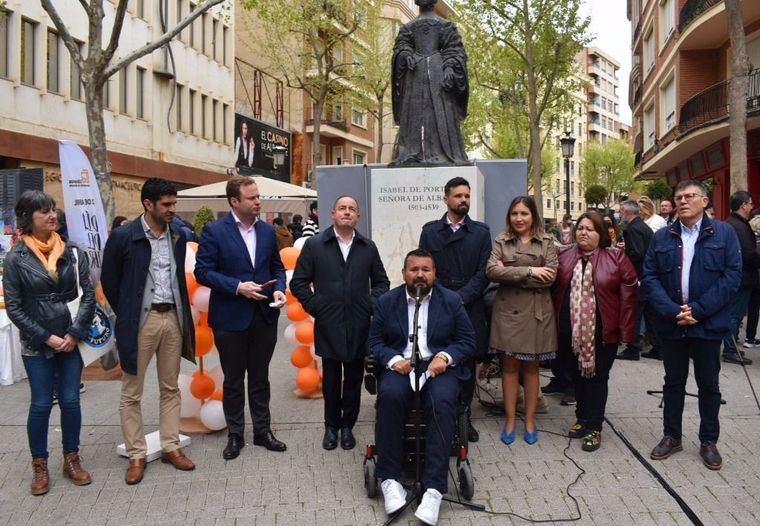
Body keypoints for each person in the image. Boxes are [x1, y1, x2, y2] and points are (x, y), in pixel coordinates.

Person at [369, 249, 475, 525]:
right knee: (390, 395)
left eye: (425, 269)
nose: (419, 274)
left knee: (441, 402)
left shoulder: (451, 301)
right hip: (401, 365)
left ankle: (434, 489)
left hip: (438, 368)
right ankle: (390, 479)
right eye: (413, 269)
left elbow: (467, 340)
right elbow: (374, 342)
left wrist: (445, 357)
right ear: (403, 273)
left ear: (434, 274)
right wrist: (393, 360)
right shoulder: (387, 301)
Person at [101, 178, 197, 485]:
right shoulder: (124, 237)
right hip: (140, 323)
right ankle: (136, 454)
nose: (172, 210)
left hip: (173, 319)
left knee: (171, 387)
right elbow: (110, 281)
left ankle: (171, 446)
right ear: (148, 204)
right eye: (166, 205)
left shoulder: (179, 235)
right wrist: (128, 313)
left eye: (174, 204)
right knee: (132, 391)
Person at [643, 180, 742, 471]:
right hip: (672, 324)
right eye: (678, 197)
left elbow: (731, 277)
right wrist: (673, 311)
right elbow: (649, 277)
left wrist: (698, 310)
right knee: (673, 383)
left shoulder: (724, 233)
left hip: (707, 324)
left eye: (689, 196)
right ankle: (672, 436)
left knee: (708, 385)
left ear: (704, 201)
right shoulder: (662, 237)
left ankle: (708, 440)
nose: (683, 201)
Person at [3, 190, 95, 495]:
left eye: (53, 209)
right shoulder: (15, 258)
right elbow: (14, 307)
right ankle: (39, 464)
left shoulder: (73, 250)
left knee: (70, 400)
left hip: (71, 339)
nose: (52, 215)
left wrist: (74, 333)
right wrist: (47, 337)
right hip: (37, 342)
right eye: (44, 211)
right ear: (29, 217)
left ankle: (72, 458)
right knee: (41, 404)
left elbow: (88, 295)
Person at [194, 176, 288, 460]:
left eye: (259, 196)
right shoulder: (214, 231)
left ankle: (262, 431)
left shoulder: (268, 232)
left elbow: (277, 266)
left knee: (260, 378)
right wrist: (237, 287)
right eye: (252, 198)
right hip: (230, 318)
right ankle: (235, 434)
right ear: (234, 201)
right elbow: (203, 272)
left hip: (263, 316)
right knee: (233, 379)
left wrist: (280, 290)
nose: (258, 201)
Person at [291, 196, 389, 450]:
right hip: (328, 323)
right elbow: (298, 283)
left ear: (358, 217)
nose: (347, 212)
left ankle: (348, 426)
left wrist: (369, 305)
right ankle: (330, 427)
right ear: (333, 214)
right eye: (342, 208)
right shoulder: (315, 245)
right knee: (332, 379)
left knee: (354, 378)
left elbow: (381, 283)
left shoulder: (368, 247)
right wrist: (316, 307)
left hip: (358, 324)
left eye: (352, 209)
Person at [553, 212, 637, 451]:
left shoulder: (616, 257)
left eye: (590, 229)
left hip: (603, 333)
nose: (583, 232)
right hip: (569, 331)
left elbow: (629, 296)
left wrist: (627, 333)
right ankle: (581, 419)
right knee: (576, 375)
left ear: (600, 234)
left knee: (598, 378)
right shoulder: (564, 255)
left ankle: (595, 426)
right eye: (580, 228)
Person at [418, 176, 491, 442]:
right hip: (436, 305)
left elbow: (484, 273)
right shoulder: (430, 231)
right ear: (446, 199)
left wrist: (460, 299)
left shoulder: (481, 233)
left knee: (466, 363)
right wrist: (444, 299)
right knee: (435, 357)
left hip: (468, 307)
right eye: (458, 196)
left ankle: (463, 417)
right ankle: (436, 412)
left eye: (467, 196)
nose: (464, 200)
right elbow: (423, 268)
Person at [487, 196, 557, 445]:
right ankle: (509, 421)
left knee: (531, 369)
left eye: (524, 213)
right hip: (508, 313)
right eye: (515, 213)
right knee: (509, 369)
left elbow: (550, 277)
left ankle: (529, 422)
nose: (519, 218)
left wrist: (509, 271)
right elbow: (492, 272)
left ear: (533, 216)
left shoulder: (547, 241)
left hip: (536, 313)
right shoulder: (501, 240)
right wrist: (530, 271)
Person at [389, 0, 469, 166]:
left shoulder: (446, 25)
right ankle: (411, 153)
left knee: (439, 111)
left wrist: (449, 68)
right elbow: (401, 46)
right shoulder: (408, 27)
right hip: (414, 74)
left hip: (438, 71)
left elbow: (454, 50)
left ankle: (444, 154)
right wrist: (405, 55)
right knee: (413, 112)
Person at [617, 200, 658, 361]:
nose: (619, 215)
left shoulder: (634, 229)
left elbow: (637, 253)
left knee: (635, 313)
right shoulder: (643, 227)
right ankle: (658, 347)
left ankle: (632, 348)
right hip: (648, 277)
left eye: (620, 212)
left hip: (638, 278)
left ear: (627, 212)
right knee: (649, 315)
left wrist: (624, 255)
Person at [722, 191, 759, 364]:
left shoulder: (734, 224)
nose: (752, 206)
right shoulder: (738, 226)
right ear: (743, 205)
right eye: (750, 203)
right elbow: (748, 254)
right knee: (735, 315)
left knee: (735, 314)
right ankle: (730, 349)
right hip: (741, 277)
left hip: (740, 277)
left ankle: (732, 347)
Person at [744, 213, 760, 348]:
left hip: (751, 277)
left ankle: (749, 337)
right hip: (753, 277)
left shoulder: (751, 239)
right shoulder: (756, 241)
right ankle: (750, 337)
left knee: (750, 308)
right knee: (753, 309)